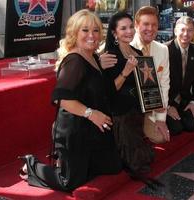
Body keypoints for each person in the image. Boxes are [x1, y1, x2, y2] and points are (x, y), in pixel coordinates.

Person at [18, 9, 122, 192]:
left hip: (93, 129)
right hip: (75, 131)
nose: (92, 35)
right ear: (74, 33)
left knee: (112, 167)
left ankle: (73, 162)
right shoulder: (74, 60)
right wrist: (92, 114)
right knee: (69, 182)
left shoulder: (92, 56)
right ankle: (31, 165)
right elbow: (62, 99)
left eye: (96, 30)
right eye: (85, 30)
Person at [101, 12, 154, 174]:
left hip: (137, 109)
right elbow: (110, 91)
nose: (129, 31)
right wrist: (126, 71)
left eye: (131, 27)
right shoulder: (109, 55)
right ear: (114, 33)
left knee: (146, 158)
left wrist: (152, 101)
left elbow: (146, 84)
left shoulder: (137, 51)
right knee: (137, 165)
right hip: (119, 112)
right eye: (123, 28)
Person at [130, 6, 170, 144]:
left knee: (161, 138)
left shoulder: (163, 49)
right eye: (146, 24)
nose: (150, 29)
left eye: (154, 25)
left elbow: (165, 84)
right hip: (129, 108)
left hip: (152, 107)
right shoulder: (125, 46)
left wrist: (160, 119)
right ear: (136, 25)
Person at [165, 16, 194, 135]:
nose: (185, 34)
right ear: (175, 31)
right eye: (182, 30)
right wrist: (166, 106)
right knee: (176, 129)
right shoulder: (165, 49)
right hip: (168, 100)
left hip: (185, 101)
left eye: (190, 30)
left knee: (191, 126)